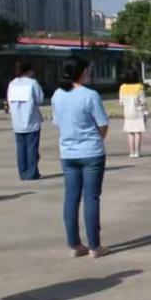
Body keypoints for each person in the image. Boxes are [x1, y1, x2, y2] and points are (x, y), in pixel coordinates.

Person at [51, 59, 109, 258]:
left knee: (71, 198)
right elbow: (102, 124)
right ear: (83, 72)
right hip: (91, 152)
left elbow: (57, 122)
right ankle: (94, 246)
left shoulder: (57, 95)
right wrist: (96, 139)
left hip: (68, 152)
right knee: (91, 198)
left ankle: (75, 244)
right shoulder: (90, 95)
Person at [6, 60, 44, 180]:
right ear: (29, 71)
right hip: (31, 120)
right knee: (32, 148)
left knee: (21, 149)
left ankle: (23, 173)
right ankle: (32, 173)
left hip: (17, 121)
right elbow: (39, 99)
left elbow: (9, 100)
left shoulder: (12, 83)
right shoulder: (32, 83)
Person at [119, 69, 147, 158]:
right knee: (138, 132)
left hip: (127, 113)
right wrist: (145, 111)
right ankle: (137, 152)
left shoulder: (123, 87)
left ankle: (131, 152)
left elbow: (121, 102)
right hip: (138, 112)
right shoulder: (139, 87)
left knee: (130, 133)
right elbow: (143, 101)